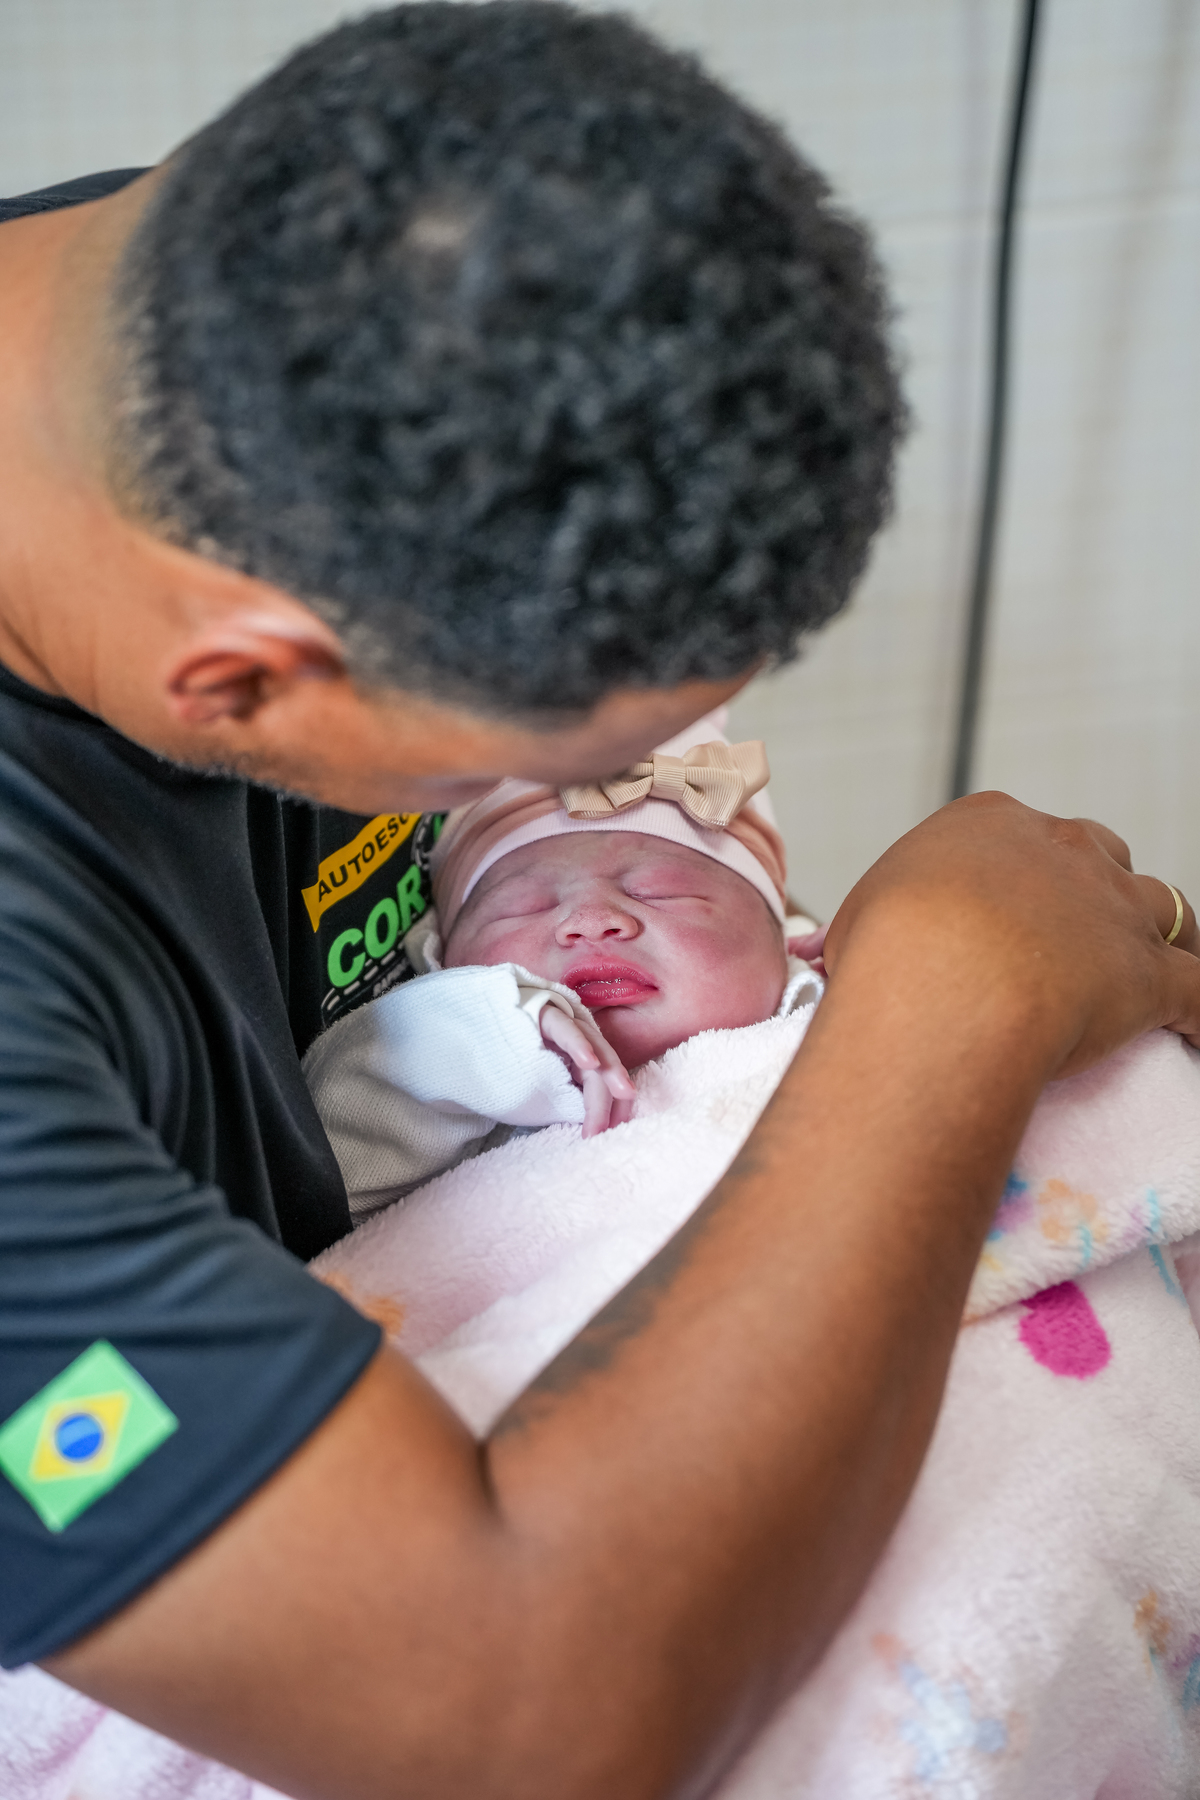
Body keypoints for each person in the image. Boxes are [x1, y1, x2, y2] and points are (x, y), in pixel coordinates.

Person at [0, 5, 1196, 1797]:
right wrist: (953, 996)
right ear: (234, 687)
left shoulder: (216, 314)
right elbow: (510, 1723)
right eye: (531, 769)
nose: (643, 802)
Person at [303, 716, 820, 1213]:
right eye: (522, 906)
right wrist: (494, 1030)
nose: (589, 921)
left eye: (661, 892)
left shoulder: (827, 1017)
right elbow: (328, 1170)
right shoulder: (457, 1097)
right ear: (438, 958)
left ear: (787, 943)